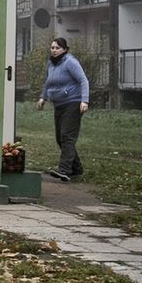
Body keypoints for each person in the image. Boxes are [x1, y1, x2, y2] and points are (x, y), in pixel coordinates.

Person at [37, 38, 89, 182]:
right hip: (59, 104)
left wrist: (85, 100)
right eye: (52, 47)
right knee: (60, 138)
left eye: (57, 48)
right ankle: (77, 169)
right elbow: (48, 83)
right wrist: (43, 98)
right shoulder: (51, 64)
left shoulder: (70, 62)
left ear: (64, 49)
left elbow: (83, 80)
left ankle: (64, 170)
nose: (54, 50)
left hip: (73, 103)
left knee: (67, 136)